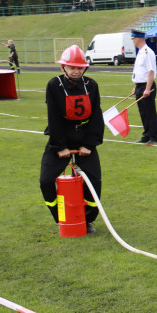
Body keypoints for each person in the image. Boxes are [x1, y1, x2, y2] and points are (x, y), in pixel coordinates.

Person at [40, 46, 103, 233]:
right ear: (63, 68)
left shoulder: (91, 85)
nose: (76, 71)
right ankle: (61, 217)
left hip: (85, 138)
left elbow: (96, 117)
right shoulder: (54, 85)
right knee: (45, 180)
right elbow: (54, 117)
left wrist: (89, 144)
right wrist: (59, 146)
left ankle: (86, 220)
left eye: (80, 67)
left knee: (94, 180)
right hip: (60, 138)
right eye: (71, 67)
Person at [130, 30, 157, 144]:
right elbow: (140, 71)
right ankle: (146, 135)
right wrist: (136, 87)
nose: (132, 41)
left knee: (149, 112)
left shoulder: (147, 52)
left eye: (133, 39)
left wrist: (147, 88)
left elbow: (151, 71)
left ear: (138, 39)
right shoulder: (141, 52)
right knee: (143, 112)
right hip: (140, 85)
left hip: (147, 85)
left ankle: (153, 136)